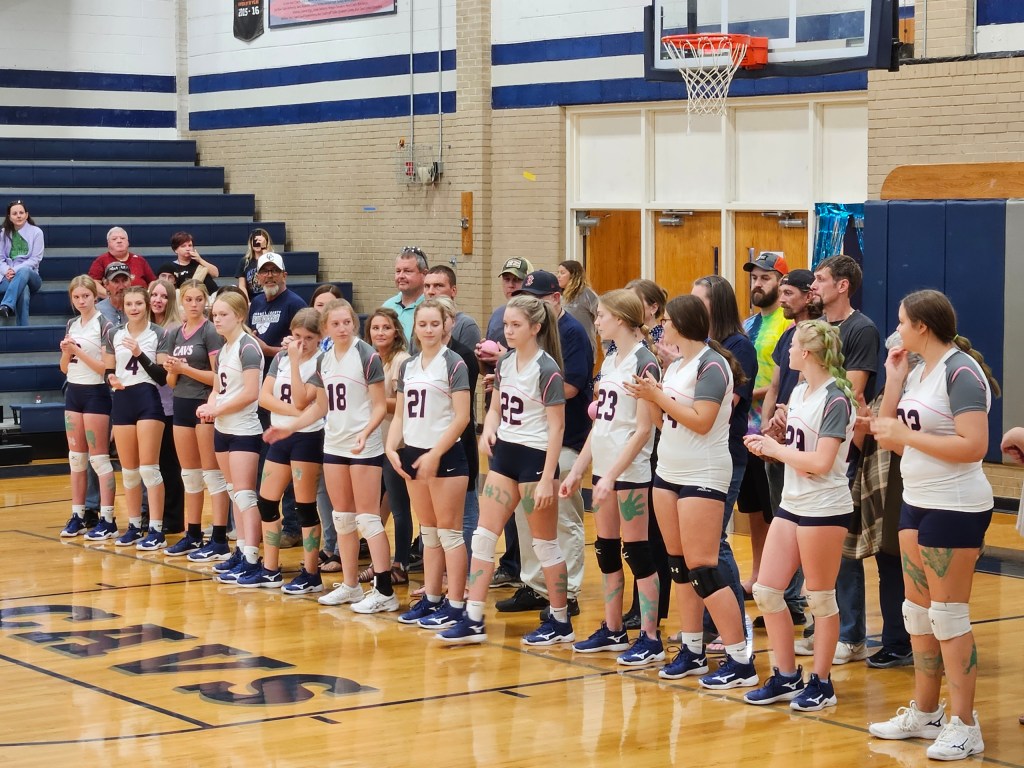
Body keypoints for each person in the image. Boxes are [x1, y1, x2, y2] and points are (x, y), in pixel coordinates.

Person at [868, 289, 999, 761]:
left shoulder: (961, 371)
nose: (897, 329)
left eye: (902, 321)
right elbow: (890, 438)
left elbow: (974, 445)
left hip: (955, 505)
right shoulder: (918, 371)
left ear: (922, 326)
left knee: (948, 616)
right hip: (916, 500)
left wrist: (908, 434)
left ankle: (966, 724)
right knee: (917, 613)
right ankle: (926, 713)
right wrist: (894, 380)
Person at [626, 294, 754, 688]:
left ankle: (740, 659)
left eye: (667, 320)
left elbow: (701, 421)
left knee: (704, 567)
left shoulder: (712, 365)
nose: (662, 326)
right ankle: (693, 650)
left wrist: (658, 396)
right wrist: (648, 396)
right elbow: (666, 423)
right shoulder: (678, 365)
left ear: (683, 324)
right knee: (679, 566)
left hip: (704, 472)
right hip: (669, 469)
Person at [439, 295, 567, 645]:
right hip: (505, 455)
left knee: (544, 545)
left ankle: (560, 619)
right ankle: (473, 618)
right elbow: (495, 407)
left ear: (535, 328)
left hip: (536, 459)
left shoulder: (547, 369)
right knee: (483, 536)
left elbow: (557, 427)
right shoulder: (507, 361)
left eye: (516, 325)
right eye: (506, 324)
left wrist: (547, 478)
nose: (508, 331)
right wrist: (489, 430)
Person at [742, 319, 856, 712]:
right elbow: (800, 449)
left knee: (820, 599)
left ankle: (822, 683)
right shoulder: (800, 391)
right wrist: (774, 438)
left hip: (824, 506)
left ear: (805, 353)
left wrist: (775, 450)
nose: (786, 352)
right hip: (793, 502)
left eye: (791, 347)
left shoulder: (836, 398)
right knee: (767, 590)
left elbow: (821, 463)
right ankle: (787, 675)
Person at [272, 299, 394, 614]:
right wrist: (290, 427)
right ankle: (351, 585)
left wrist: (366, 432)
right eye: (335, 324)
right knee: (342, 517)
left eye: (347, 322)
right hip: (335, 445)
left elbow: (380, 405)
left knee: (367, 518)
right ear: (326, 327)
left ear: (354, 323)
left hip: (363, 447)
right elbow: (317, 406)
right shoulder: (324, 360)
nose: (342, 328)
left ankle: (384, 589)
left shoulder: (366, 355)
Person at [562, 289, 662, 665]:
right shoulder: (610, 359)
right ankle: (613, 628)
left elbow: (643, 430)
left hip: (630, 471)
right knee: (605, 549)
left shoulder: (644, 362)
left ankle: (650, 637)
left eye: (601, 315)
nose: (597, 321)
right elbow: (601, 424)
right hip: (603, 468)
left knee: (638, 553)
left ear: (620, 318)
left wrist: (612, 475)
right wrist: (578, 470)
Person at [797, 254, 881, 664]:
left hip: (841, 450)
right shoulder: (817, 326)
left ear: (843, 285)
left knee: (841, 548)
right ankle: (822, 627)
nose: (813, 285)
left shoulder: (861, 329)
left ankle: (851, 635)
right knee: (813, 549)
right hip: (806, 447)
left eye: (821, 278)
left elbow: (853, 391)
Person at [497, 271, 592, 619]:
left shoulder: (572, 333)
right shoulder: (516, 347)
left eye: (538, 297)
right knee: (529, 519)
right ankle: (536, 585)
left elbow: (571, 387)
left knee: (562, 519)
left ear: (555, 299)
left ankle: (569, 592)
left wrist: (526, 391)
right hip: (527, 442)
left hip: (564, 439)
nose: (530, 302)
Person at [388, 299, 472, 629]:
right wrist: (391, 447)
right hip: (414, 454)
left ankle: (456, 604)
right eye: (422, 324)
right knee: (429, 533)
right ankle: (432, 598)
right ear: (415, 328)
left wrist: (436, 453)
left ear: (445, 325)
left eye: (434, 324)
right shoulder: (408, 366)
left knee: (450, 534)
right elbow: (400, 414)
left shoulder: (454, 363)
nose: (428, 329)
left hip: (446, 456)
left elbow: (462, 417)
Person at [691, 275, 757, 647]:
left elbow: (720, 406)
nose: (692, 305)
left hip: (725, 453)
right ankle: (708, 623)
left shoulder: (738, 346)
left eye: (699, 300)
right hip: (696, 453)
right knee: (700, 544)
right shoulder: (699, 347)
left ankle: (732, 627)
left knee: (715, 541)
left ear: (716, 305)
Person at [247, 308, 326, 593]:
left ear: (320, 338)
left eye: (309, 338)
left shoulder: (320, 361)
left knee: (304, 507)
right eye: (297, 336)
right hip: (280, 433)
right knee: (266, 502)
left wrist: (294, 361)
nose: (301, 343)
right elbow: (264, 397)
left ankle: (311, 573)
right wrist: (294, 413)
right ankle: (270, 569)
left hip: (307, 437)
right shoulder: (280, 358)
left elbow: (302, 398)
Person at [199, 291, 265, 584]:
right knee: (232, 490)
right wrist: (210, 406)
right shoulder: (224, 348)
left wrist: (218, 408)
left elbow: (251, 393)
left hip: (243, 430)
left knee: (245, 494)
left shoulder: (248, 347)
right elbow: (218, 387)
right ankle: (241, 549)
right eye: (214, 315)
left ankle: (252, 556)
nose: (217, 320)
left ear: (239, 316)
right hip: (223, 429)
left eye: (223, 314)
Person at [737, 252, 792, 601]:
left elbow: (780, 380)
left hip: (771, 429)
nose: (757, 284)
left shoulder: (787, 324)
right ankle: (758, 574)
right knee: (755, 510)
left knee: (775, 510)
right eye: (754, 278)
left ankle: (780, 582)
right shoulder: (748, 323)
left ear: (781, 283)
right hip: (746, 430)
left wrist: (742, 390)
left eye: (765, 278)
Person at [478, 256, 533, 590]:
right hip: (501, 418)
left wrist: (505, 358)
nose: (511, 285)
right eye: (507, 279)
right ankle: (510, 564)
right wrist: (487, 365)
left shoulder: (536, 322)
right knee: (499, 506)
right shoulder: (498, 315)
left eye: (517, 279)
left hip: (529, 433)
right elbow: (493, 372)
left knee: (529, 510)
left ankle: (532, 574)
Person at [164, 280, 229, 559]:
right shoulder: (174, 333)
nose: (193, 304)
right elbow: (171, 382)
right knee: (189, 475)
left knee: (212, 475)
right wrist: (173, 370)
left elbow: (218, 378)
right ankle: (192, 534)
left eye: (198, 299)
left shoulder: (210, 331)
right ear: (181, 302)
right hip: (180, 404)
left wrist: (184, 368)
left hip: (204, 404)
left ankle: (219, 538)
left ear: (206, 302)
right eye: (188, 299)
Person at [248, 251, 308, 549]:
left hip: (291, 391)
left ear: (284, 275)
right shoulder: (256, 303)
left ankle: (293, 526)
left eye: (274, 271)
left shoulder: (295, 304)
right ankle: (271, 523)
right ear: (258, 277)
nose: (269, 275)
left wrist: (267, 349)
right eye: (264, 271)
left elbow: (301, 347)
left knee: (292, 461)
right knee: (271, 460)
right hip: (266, 392)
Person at [102, 287, 171, 549]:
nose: (134, 308)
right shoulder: (114, 333)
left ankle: (156, 529)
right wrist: (110, 378)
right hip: (122, 400)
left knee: (149, 469)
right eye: (129, 304)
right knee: (129, 471)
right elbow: (108, 370)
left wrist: (139, 352)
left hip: (147, 399)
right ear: (123, 307)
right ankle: (133, 525)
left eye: (139, 303)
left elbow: (162, 377)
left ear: (147, 305)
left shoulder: (159, 333)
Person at [423, 266, 482, 559]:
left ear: (450, 321)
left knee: (465, 512)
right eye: (425, 322)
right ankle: (439, 571)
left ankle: (466, 569)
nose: (432, 327)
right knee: (433, 516)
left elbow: (458, 409)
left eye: (439, 320)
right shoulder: (420, 358)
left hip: (460, 439)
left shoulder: (462, 356)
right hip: (427, 438)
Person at [59, 276, 115, 538]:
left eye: (85, 296)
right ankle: (78, 515)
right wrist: (66, 352)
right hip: (74, 392)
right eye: (76, 297)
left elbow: (105, 368)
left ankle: (108, 518)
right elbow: (64, 368)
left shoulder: (104, 324)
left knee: (99, 459)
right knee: (76, 458)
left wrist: (78, 351)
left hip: (96, 393)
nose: (81, 301)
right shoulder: (72, 324)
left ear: (95, 296)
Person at [362, 307, 412, 583]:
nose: (380, 333)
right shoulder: (370, 359)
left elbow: (401, 404)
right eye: (375, 328)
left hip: (397, 443)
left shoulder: (401, 360)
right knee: (374, 510)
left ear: (396, 332)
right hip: (374, 443)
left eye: (386, 328)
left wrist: (375, 399)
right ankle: (378, 563)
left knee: (398, 506)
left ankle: (400, 564)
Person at [309, 283, 346, 572]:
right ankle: (330, 546)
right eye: (319, 305)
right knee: (322, 489)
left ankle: (343, 551)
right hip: (321, 425)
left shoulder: (346, 348)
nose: (324, 309)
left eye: (330, 305)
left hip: (346, 430)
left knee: (344, 497)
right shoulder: (316, 346)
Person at [148, 279, 184, 535]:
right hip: (146, 405)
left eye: (164, 296)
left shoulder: (174, 329)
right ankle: (153, 515)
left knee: (170, 465)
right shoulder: (143, 327)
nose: (158, 300)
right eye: (154, 295)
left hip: (169, 405)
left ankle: (173, 518)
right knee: (152, 465)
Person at [0, 200, 44, 324]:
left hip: (31, 276)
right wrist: (6, 271)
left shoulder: (36, 232)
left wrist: (14, 270)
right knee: (23, 289)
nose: (18, 216)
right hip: (7, 276)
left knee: (24, 271)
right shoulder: (3, 233)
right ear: (9, 217)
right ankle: (22, 329)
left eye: (21, 213)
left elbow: (35, 259)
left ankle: (6, 304)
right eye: (15, 214)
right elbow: (0, 258)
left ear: (26, 214)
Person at [88, 227, 156, 298]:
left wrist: (147, 295)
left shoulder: (140, 260)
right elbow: (92, 283)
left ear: (128, 242)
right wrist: (110, 296)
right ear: (108, 244)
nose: (119, 241)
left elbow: (153, 281)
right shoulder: (101, 260)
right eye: (114, 239)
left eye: (122, 238)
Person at [382, 246, 428, 339]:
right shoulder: (387, 307)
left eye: (407, 271)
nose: (401, 276)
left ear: (424, 274)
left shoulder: (431, 307)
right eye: (398, 271)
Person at [557, 260, 598, 353]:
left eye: (562, 273)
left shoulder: (586, 293)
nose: (558, 276)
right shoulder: (558, 296)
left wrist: (594, 332)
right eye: (558, 272)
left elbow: (601, 314)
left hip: (583, 346)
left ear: (573, 275)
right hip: (564, 345)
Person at [235, 228, 273, 300]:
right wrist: (247, 302)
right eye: (255, 241)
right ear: (251, 242)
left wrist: (264, 248)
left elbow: (269, 266)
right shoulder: (244, 261)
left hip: (270, 297)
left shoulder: (273, 258)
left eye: (260, 241)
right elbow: (242, 286)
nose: (257, 243)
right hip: (252, 299)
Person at [96, 262, 132, 326]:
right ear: (106, 284)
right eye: (116, 281)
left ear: (131, 282)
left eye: (125, 280)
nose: (121, 287)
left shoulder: (140, 308)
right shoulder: (97, 311)